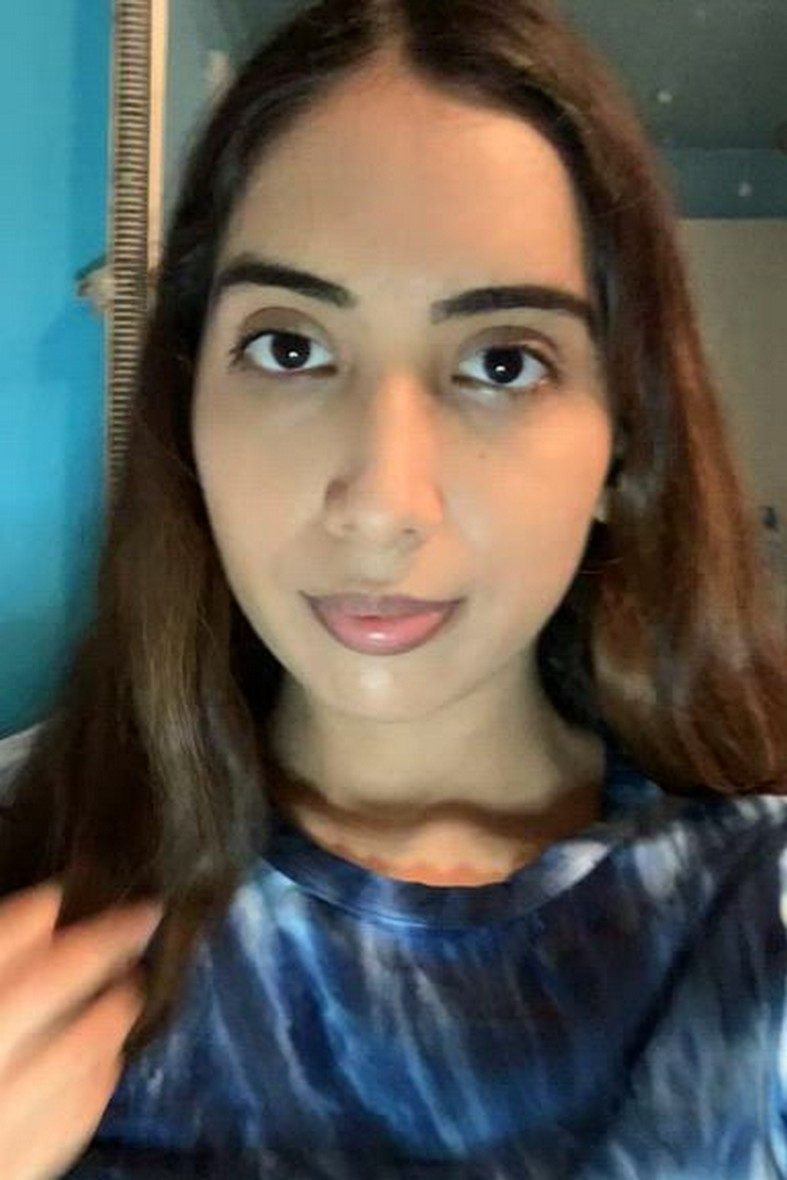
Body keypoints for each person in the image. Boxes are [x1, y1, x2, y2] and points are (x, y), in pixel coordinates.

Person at [1, 0, 786, 1176]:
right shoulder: (31, 884)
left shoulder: (754, 926)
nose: (381, 502)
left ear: (625, 438)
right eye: (290, 347)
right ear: (187, 401)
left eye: (501, 362)